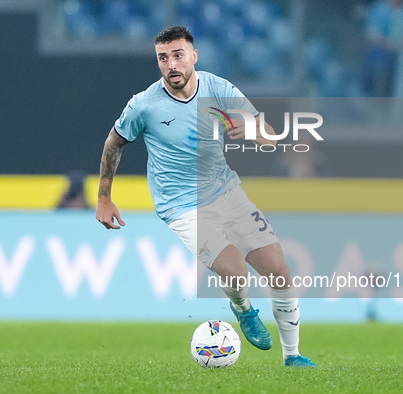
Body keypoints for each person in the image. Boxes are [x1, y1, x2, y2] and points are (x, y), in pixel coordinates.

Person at [95, 25, 316, 368]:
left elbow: (271, 136)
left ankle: (293, 357)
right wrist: (103, 198)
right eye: (163, 58)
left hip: (226, 190)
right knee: (235, 271)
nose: (171, 65)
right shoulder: (144, 105)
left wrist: (254, 131)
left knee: (279, 271)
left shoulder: (220, 89)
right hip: (181, 206)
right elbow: (114, 142)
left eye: (178, 55)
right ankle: (243, 309)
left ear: (193, 56)